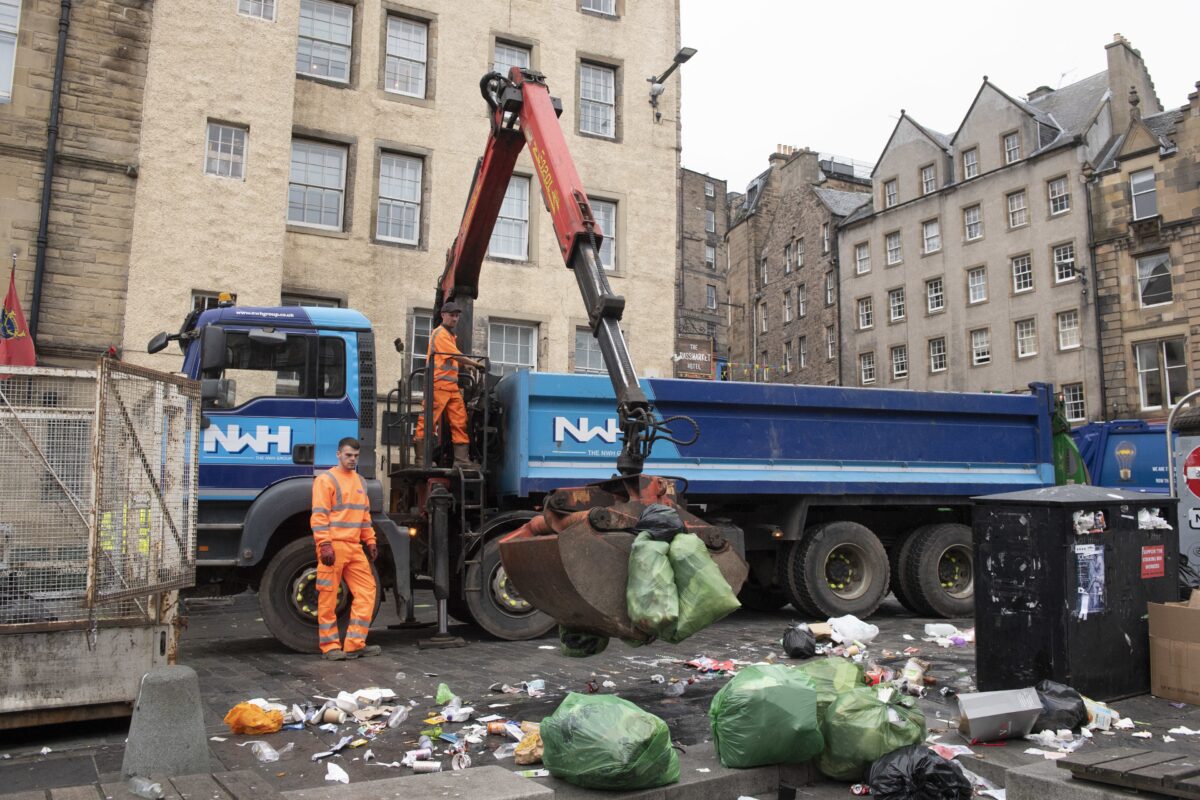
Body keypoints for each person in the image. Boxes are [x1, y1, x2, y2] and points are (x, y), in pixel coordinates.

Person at [311, 437, 380, 660]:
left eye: (356, 456)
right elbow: (319, 515)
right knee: (328, 597)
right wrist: (324, 544)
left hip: (353, 546)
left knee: (368, 591)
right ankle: (330, 647)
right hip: (334, 546)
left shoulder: (360, 482)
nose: (352, 460)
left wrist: (370, 540)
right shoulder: (326, 480)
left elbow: (364, 516)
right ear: (338, 454)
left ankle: (354, 644)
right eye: (349, 455)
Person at [412, 300, 485, 467]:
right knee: (428, 421)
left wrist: (464, 364)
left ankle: (461, 460)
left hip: (451, 388)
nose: (455, 319)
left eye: (457, 316)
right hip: (438, 386)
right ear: (443, 315)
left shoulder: (450, 336)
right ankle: (422, 459)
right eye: (452, 315)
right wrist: (473, 363)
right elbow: (454, 355)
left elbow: (450, 358)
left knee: (460, 421)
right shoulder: (440, 334)